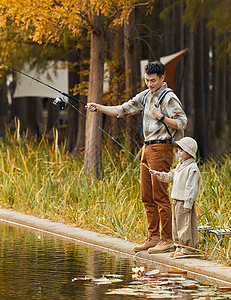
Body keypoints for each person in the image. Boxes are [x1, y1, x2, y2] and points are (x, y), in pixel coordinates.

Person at [86, 61, 187, 253]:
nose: (149, 84)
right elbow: (122, 109)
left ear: (162, 78)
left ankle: (167, 239)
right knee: (146, 195)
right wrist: (98, 107)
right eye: (147, 80)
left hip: (162, 148)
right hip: (146, 149)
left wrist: (161, 117)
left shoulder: (169, 97)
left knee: (160, 195)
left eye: (153, 80)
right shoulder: (145, 96)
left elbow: (182, 123)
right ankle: (153, 237)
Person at [150, 137, 201, 258]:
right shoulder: (180, 166)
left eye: (182, 150)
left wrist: (188, 203)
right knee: (177, 224)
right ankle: (179, 246)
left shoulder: (192, 168)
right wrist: (159, 175)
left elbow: (191, 188)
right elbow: (170, 176)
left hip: (184, 201)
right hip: (176, 200)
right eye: (178, 149)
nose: (179, 152)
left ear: (189, 152)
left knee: (185, 225)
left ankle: (187, 248)